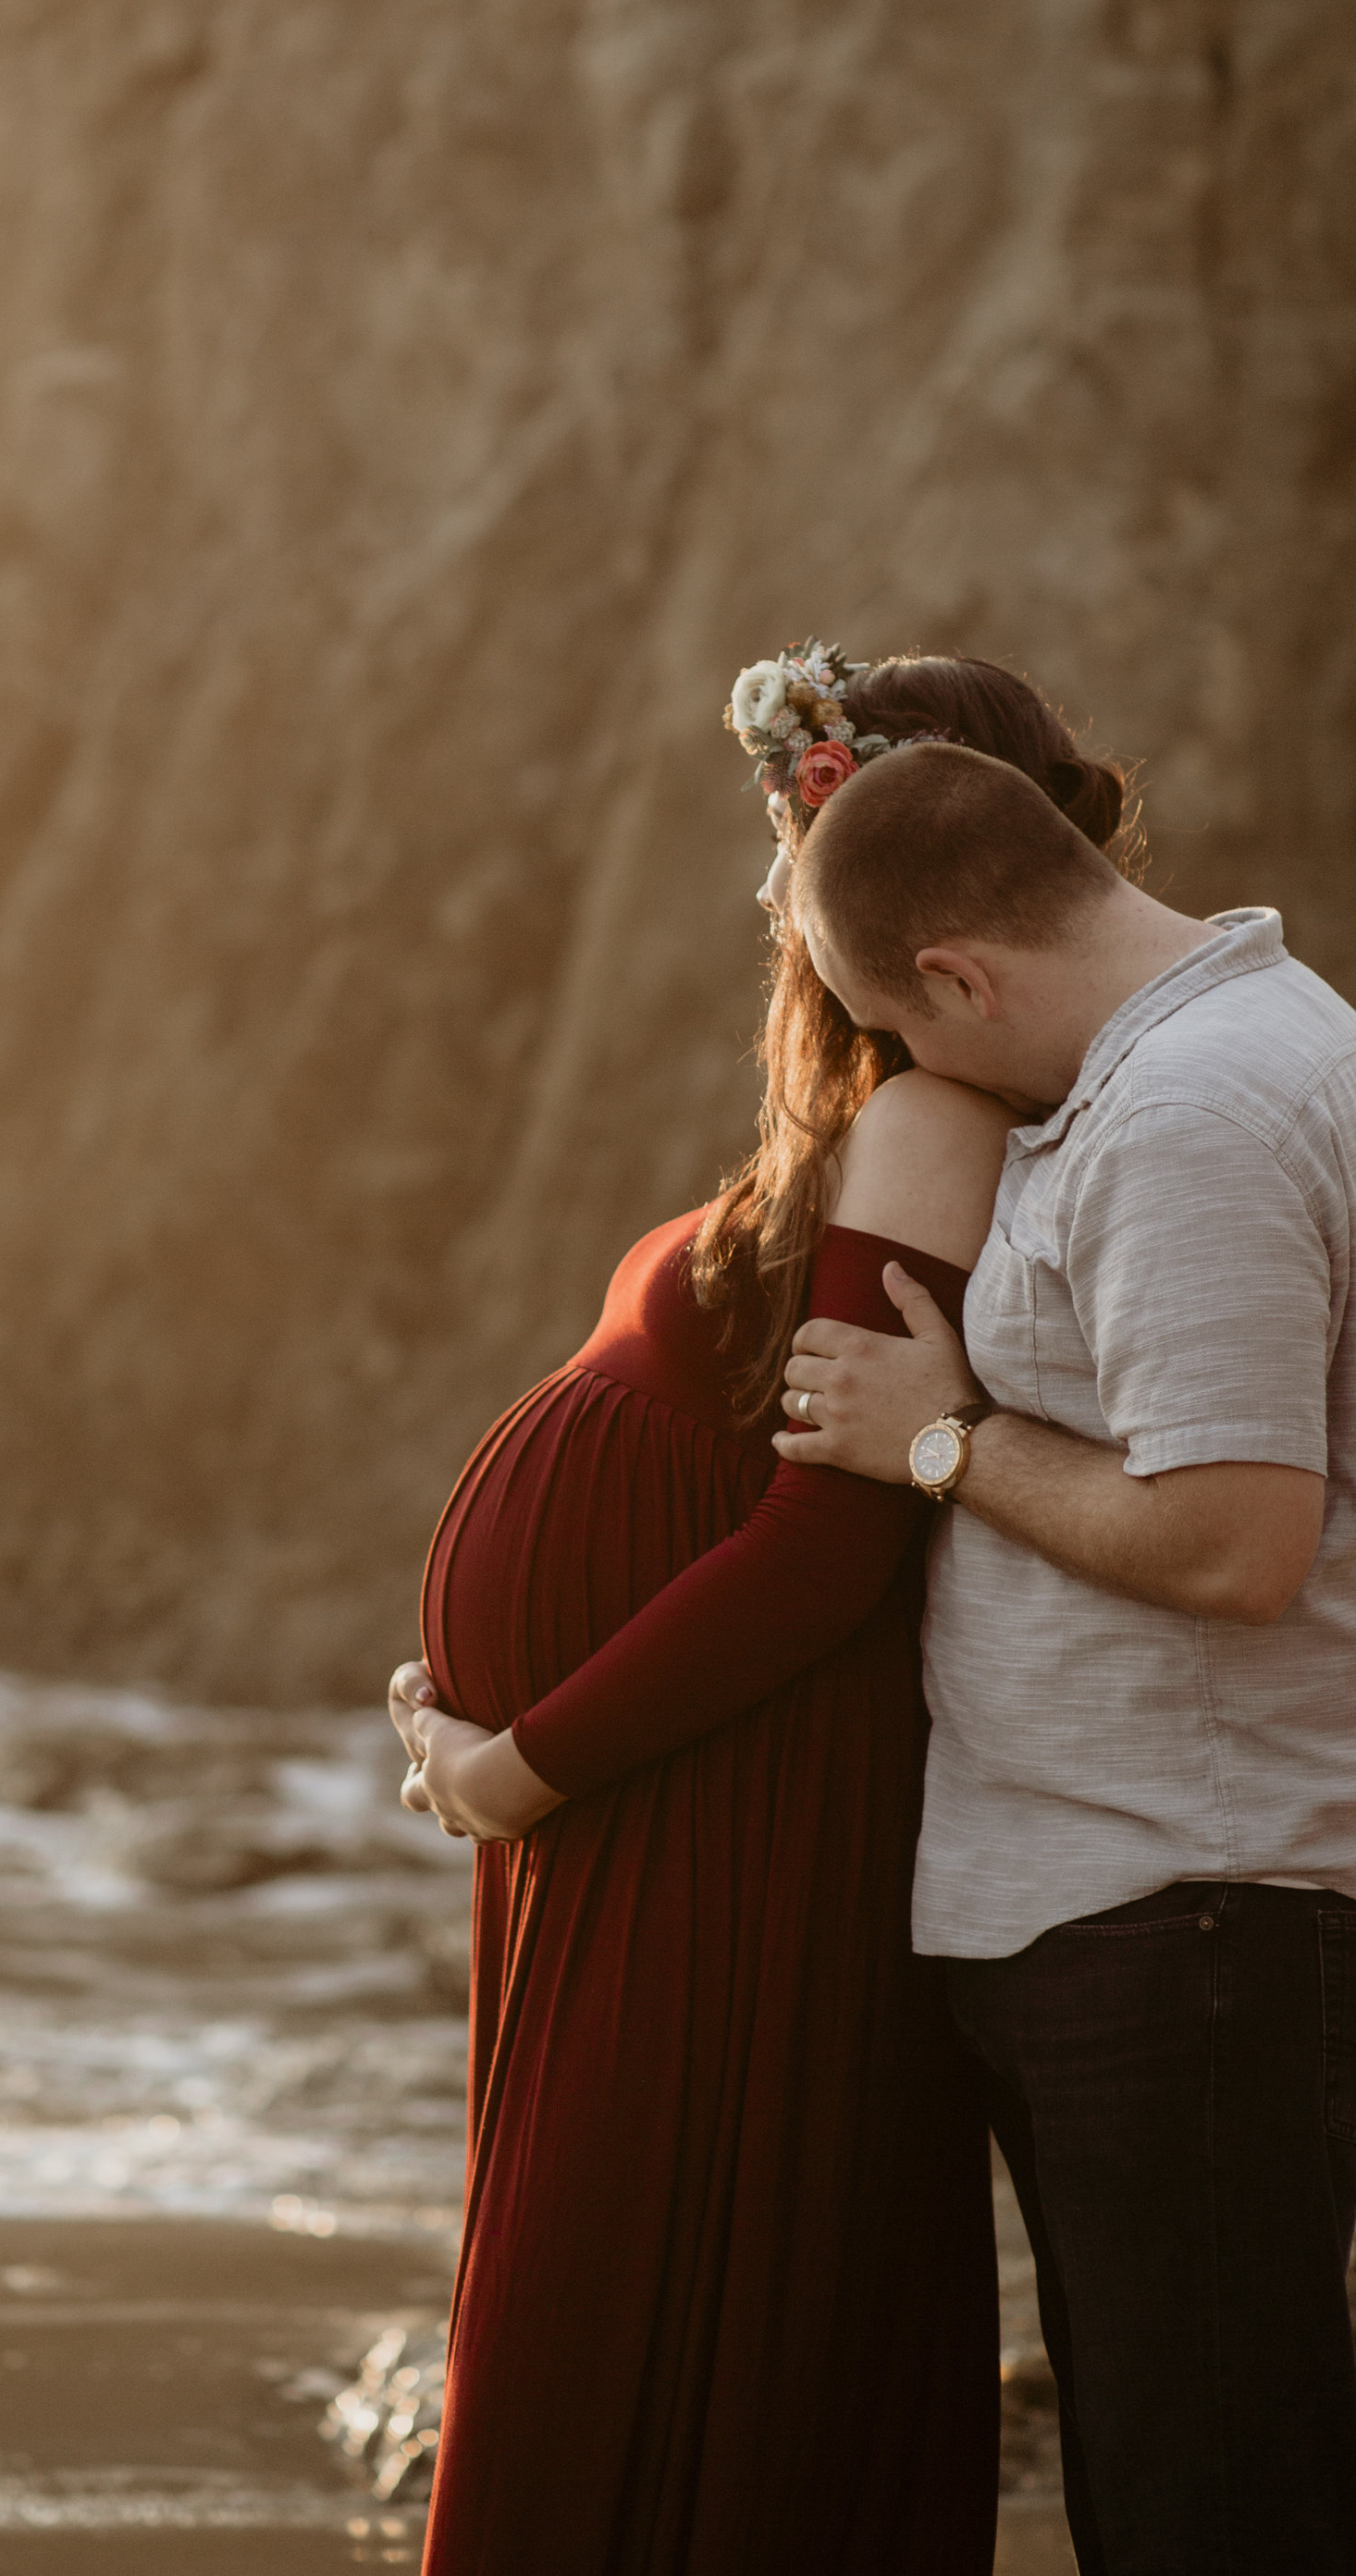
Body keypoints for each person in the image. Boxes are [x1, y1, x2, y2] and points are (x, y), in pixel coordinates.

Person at [388, 645, 1120, 2573]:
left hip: (722, 1822)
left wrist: (523, 1768)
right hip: (669, 1805)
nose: (784, 893)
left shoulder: (932, 1123)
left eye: (810, 841)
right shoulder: (879, 1113)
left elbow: (826, 1545)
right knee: (602, 2328)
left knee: (642, 2347)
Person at [768, 737, 1356, 2576]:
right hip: (1146, 1910)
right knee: (1180, 2469)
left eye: (908, 1032)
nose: (927, 1082)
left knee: (1211, 2501)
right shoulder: (1209, 1061)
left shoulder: (1191, 1113)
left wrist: (936, 1441)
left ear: (955, 976)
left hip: (1190, 1921)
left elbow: (1230, 1540)